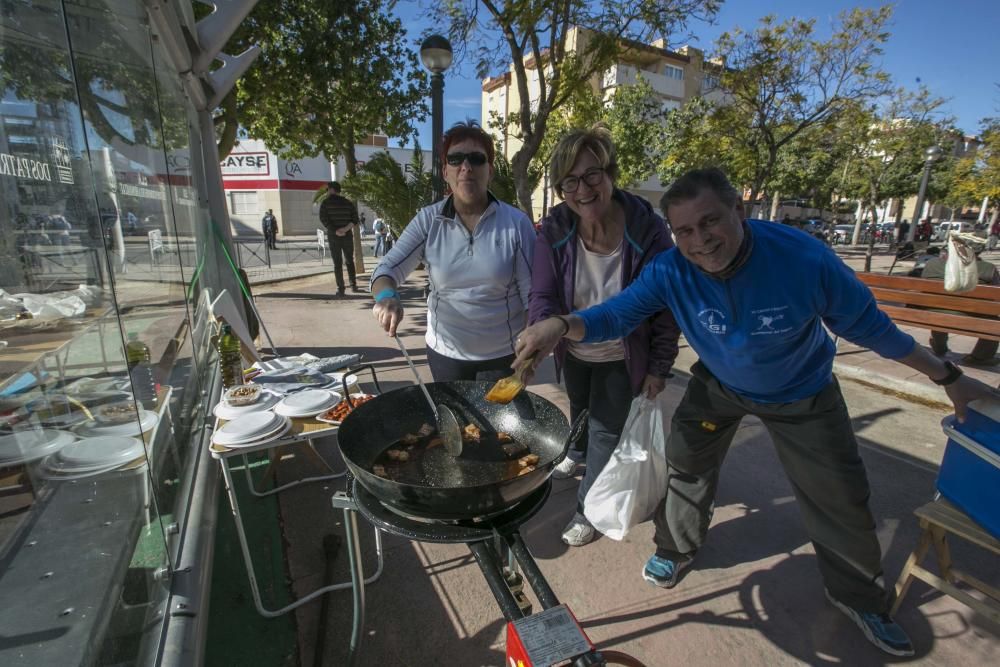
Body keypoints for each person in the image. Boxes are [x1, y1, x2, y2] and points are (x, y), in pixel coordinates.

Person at [513, 168, 999, 658]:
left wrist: (949, 379)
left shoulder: (804, 259)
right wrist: (562, 324)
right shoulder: (670, 269)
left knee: (840, 493)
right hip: (720, 385)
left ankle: (859, 595)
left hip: (803, 392)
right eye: (684, 231)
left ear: (739, 212)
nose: (700, 242)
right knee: (686, 463)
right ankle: (675, 548)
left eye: (711, 223)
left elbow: (876, 330)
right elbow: (617, 314)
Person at [528, 126, 680, 547]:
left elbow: (665, 306)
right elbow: (542, 294)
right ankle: (576, 455)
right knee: (580, 409)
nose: (583, 190)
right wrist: (538, 337)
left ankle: (587, 510)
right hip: (574, 348)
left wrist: (659, 366)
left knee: (606, 431)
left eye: (592, 175)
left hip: (623, 354)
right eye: (569, 182)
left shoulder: (649, 231)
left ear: (611, 173)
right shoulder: (555, 229)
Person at [370, 120, 535, 381]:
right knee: (453, 423)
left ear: (489, 170)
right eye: (456, 159)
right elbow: (386, 269)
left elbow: (532, 296)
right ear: (445, 171)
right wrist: (388, 297)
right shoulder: (428, 221)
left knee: (500, 422)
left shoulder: (517, 223)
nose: (466, 167)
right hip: (445, 354)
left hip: (505, 355)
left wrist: (531, 353)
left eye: (476, 159)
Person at [921, 245, 999, 366]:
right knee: (995, 322)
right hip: (969, 316)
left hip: (930, 312)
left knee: (941, 307)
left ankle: (939, 346)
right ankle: (980, 357)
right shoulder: (988, 268)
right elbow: (996, 297)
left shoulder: (932, 264)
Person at [319, 181, 360, 295]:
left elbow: (324, 219)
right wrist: (345, 229)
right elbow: (355, 219)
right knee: (349, 261)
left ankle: (340, 288)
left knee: (337, 263)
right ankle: (353, 285)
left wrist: (335, 230)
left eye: (328, 190)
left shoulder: (325, 203)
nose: (327, 192)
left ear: (332, 190)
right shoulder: (348, 203)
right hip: (347, 236)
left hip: (333, 237)